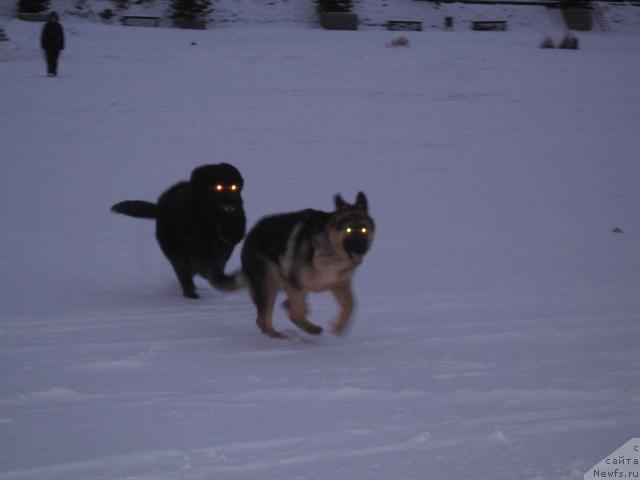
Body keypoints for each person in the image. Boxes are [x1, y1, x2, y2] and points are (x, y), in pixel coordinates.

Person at [40, 11, 65, 77]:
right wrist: (43, 45)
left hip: (57, 45)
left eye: (54, 18)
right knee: (50, 58)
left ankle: (54, 71)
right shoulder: (47, 26)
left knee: (55, 59)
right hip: (48, 45)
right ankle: (50, 71)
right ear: (50, 18)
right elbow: (43, 36)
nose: (53, 19)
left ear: (57, 18)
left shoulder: (59, 26)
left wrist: (62, 45)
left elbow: (62, 36)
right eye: (52, 18)